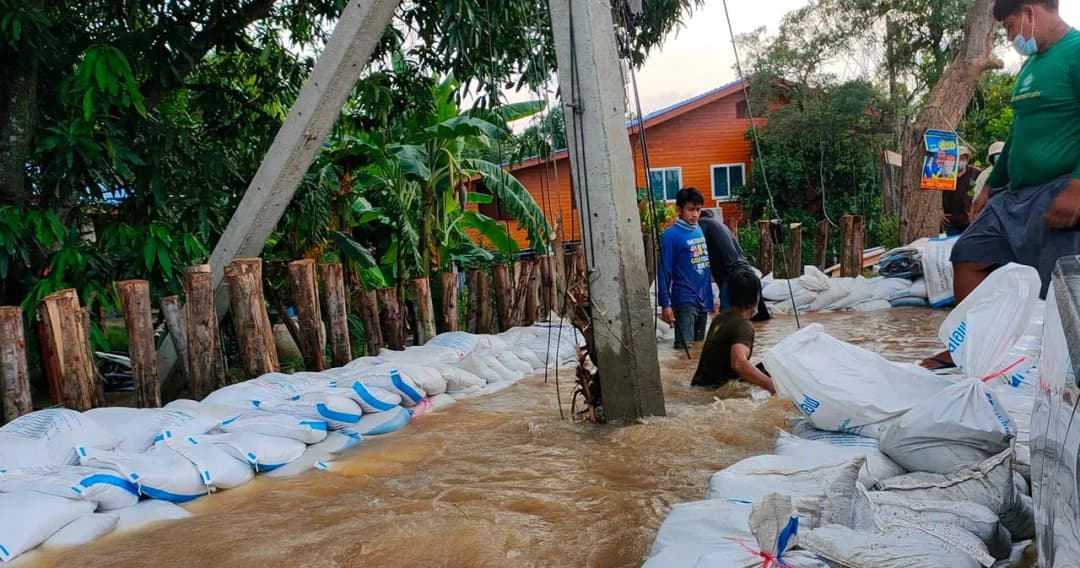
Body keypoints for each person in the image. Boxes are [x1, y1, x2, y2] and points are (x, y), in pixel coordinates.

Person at [923, 0, 1080, 369]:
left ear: (1030, 12)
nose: (1011, 37)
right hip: (1015, 195)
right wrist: (993, 183)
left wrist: (1077, 185)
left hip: (1057, 190)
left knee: (1058, 286)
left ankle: (1065, 369)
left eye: (1009, 27)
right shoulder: (1031, 65)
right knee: (968, 253)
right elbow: (1018, 133)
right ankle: (968, 346)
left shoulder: (1075, 52)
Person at [691, 269, 776, 394]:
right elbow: (738, 363)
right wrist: (770, 386)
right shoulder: (743, 325)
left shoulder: (720, 319)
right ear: (755, 297)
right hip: (716, 393)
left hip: (699, 387)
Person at [658, 187, 716, 350]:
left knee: (699, 348)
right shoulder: (670, 235)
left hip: (703, 299)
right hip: (684, 300)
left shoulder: (699, 229)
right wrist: (665, 304)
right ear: (679, 210)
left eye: (698, 209)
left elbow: (704, 267)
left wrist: (712, 298)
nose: (695, 214)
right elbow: (664, 271)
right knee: (684, 350)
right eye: (691, 210)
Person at [941, 146, 982, 236]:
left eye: (962, 158)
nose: (960, 161)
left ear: (967, 159)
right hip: (951, 221)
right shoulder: (945, 174)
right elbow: (937, 193)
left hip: (970, 221)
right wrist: (939, 212)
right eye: (957, 158)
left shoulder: (976, 173)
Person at [970, 141, 1006, 217]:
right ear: (991, 159)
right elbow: (977, 196)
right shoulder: (984, 175)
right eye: (997, 156)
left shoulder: (1013, 173)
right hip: (989, 215)